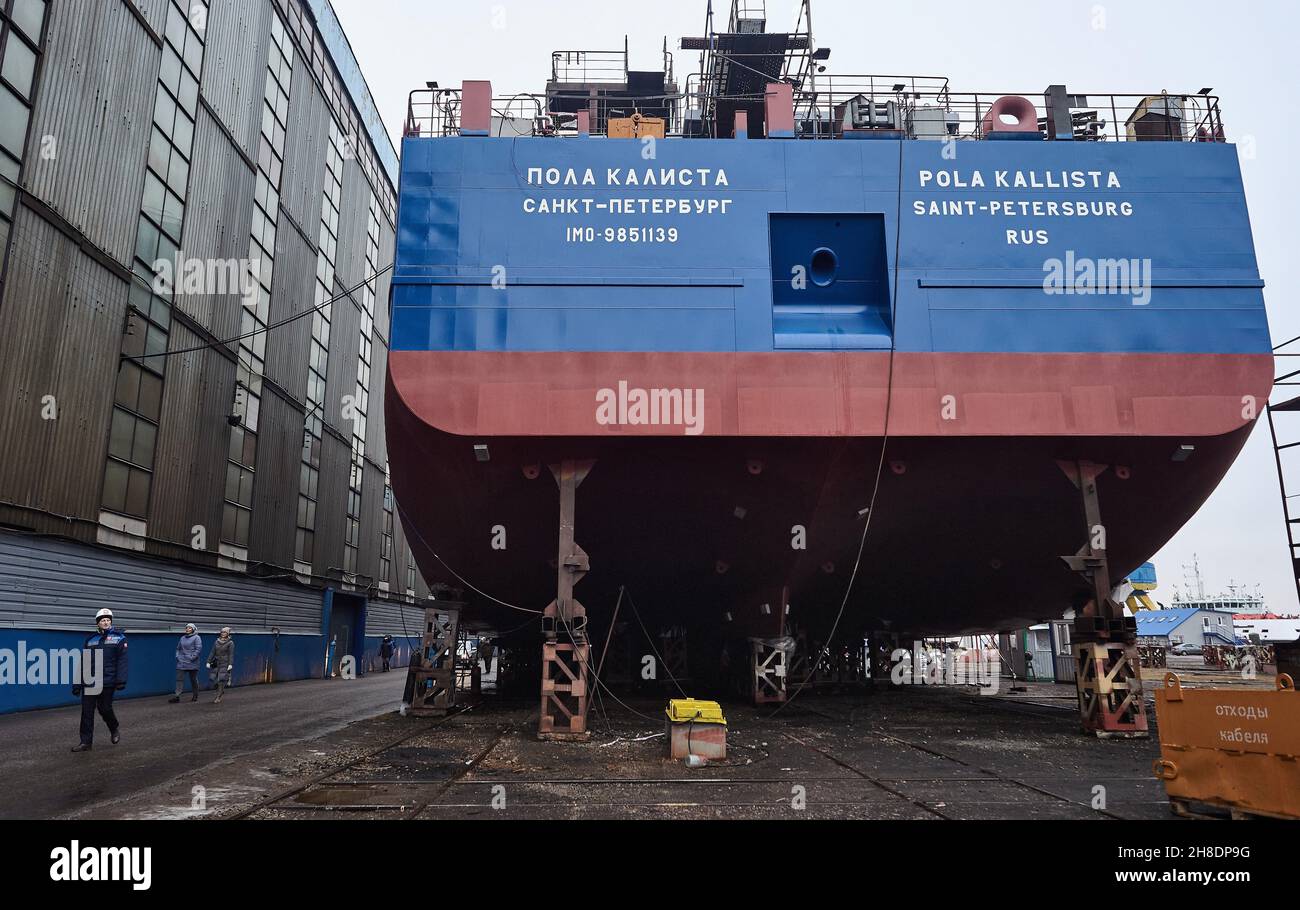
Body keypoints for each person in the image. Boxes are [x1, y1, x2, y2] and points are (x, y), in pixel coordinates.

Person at [71, 607, 128, 752]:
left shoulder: (119, 638)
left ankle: (113, 727)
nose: (106, 622)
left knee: (105, 709)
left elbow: (122, 660)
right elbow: (83, 661)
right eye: (103, 620)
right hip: (89, 682)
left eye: (108, 620)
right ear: (98, 623)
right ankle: (85, 743)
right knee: (87, 712)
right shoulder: (90, 640)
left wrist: (121, 680)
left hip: (107, 681)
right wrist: (77, 683)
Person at [168, 623, 203, 703]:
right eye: (187, 628)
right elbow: (178, 648)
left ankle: (195, 695)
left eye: (190, 628)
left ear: (193, 629)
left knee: (193, 679)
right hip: (181, 662)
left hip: (192, 662)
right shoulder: (182, 638)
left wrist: (192, 657)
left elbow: (198, 649)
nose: (187, 629)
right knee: (179, 679)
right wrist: (177, 656)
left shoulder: (197, 638)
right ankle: (177, 696)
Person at [207, 627, 235, 704]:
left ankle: (218, 696)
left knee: (221, 680)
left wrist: (230, 664)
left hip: (225, 663)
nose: (223, 634)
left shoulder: (230, 643)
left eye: (225, 632)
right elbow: (212, 652)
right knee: (213, 679)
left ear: (228, 634)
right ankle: (221, 691)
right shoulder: (216, 642)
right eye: (222, 632)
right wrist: (208, 661)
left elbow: (231, 654)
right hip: (216, 663)